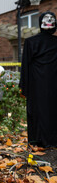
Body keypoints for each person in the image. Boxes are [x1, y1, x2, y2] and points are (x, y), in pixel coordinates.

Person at [19, 11, 57, 148]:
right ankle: (43, 139)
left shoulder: (31, 42)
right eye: (46, 18)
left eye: (51, 18)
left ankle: (39, 139)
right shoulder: (30, 42)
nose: (49, 20)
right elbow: (26, 65)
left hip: (41, 84)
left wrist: (24, 86)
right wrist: (25, 85)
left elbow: (25, 66)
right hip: (41, 84)